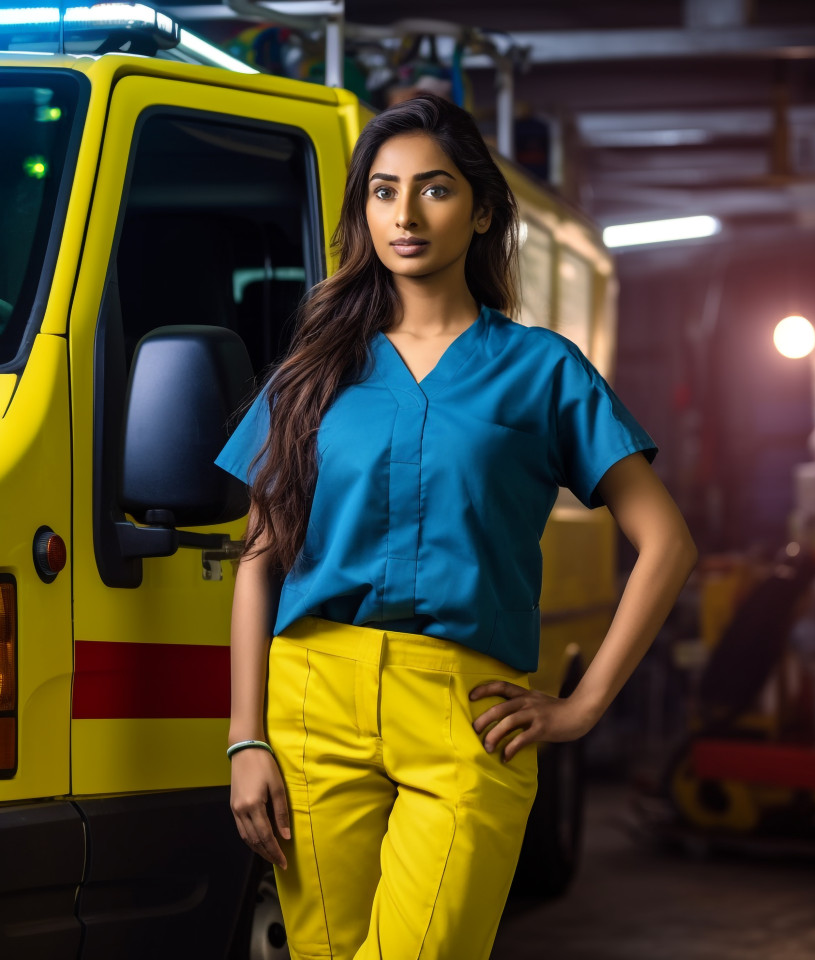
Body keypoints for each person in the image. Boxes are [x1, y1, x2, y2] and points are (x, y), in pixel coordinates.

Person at [215, 92, 698, 960]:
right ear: (363, 209)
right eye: (383, 190)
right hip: (312, 697)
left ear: (479, 210)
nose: (405, 215)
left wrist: (582, 707)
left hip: (466, 712)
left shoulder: (541, 370)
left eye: (434, 190)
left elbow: (667, 543)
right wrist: (245, 737)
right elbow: (257, 562)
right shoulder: (316, 371)